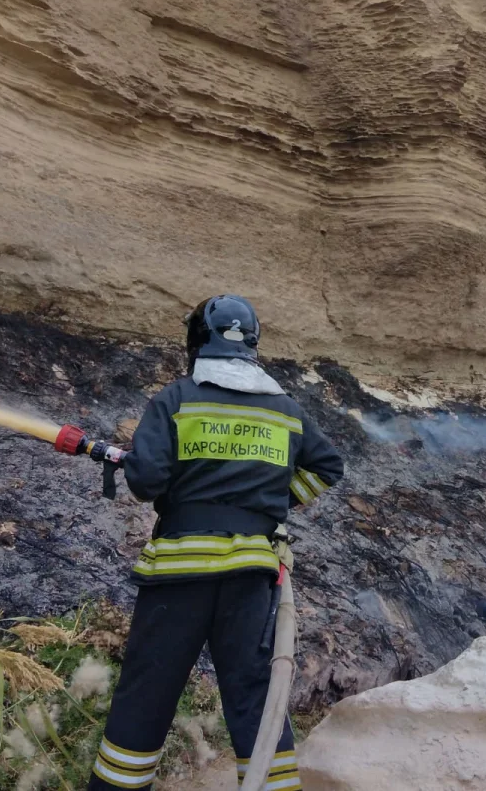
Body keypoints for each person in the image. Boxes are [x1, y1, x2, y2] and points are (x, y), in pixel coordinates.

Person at [89, 294, 344, 791]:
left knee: (148, 693)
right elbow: (328, 467)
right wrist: (267, 504)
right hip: (251, 573)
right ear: (251, 344)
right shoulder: (286, 408)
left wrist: (145, 465)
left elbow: (146, 482)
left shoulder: (177, 398)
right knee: (254, 696)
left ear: (196, 340)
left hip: (179, 575)